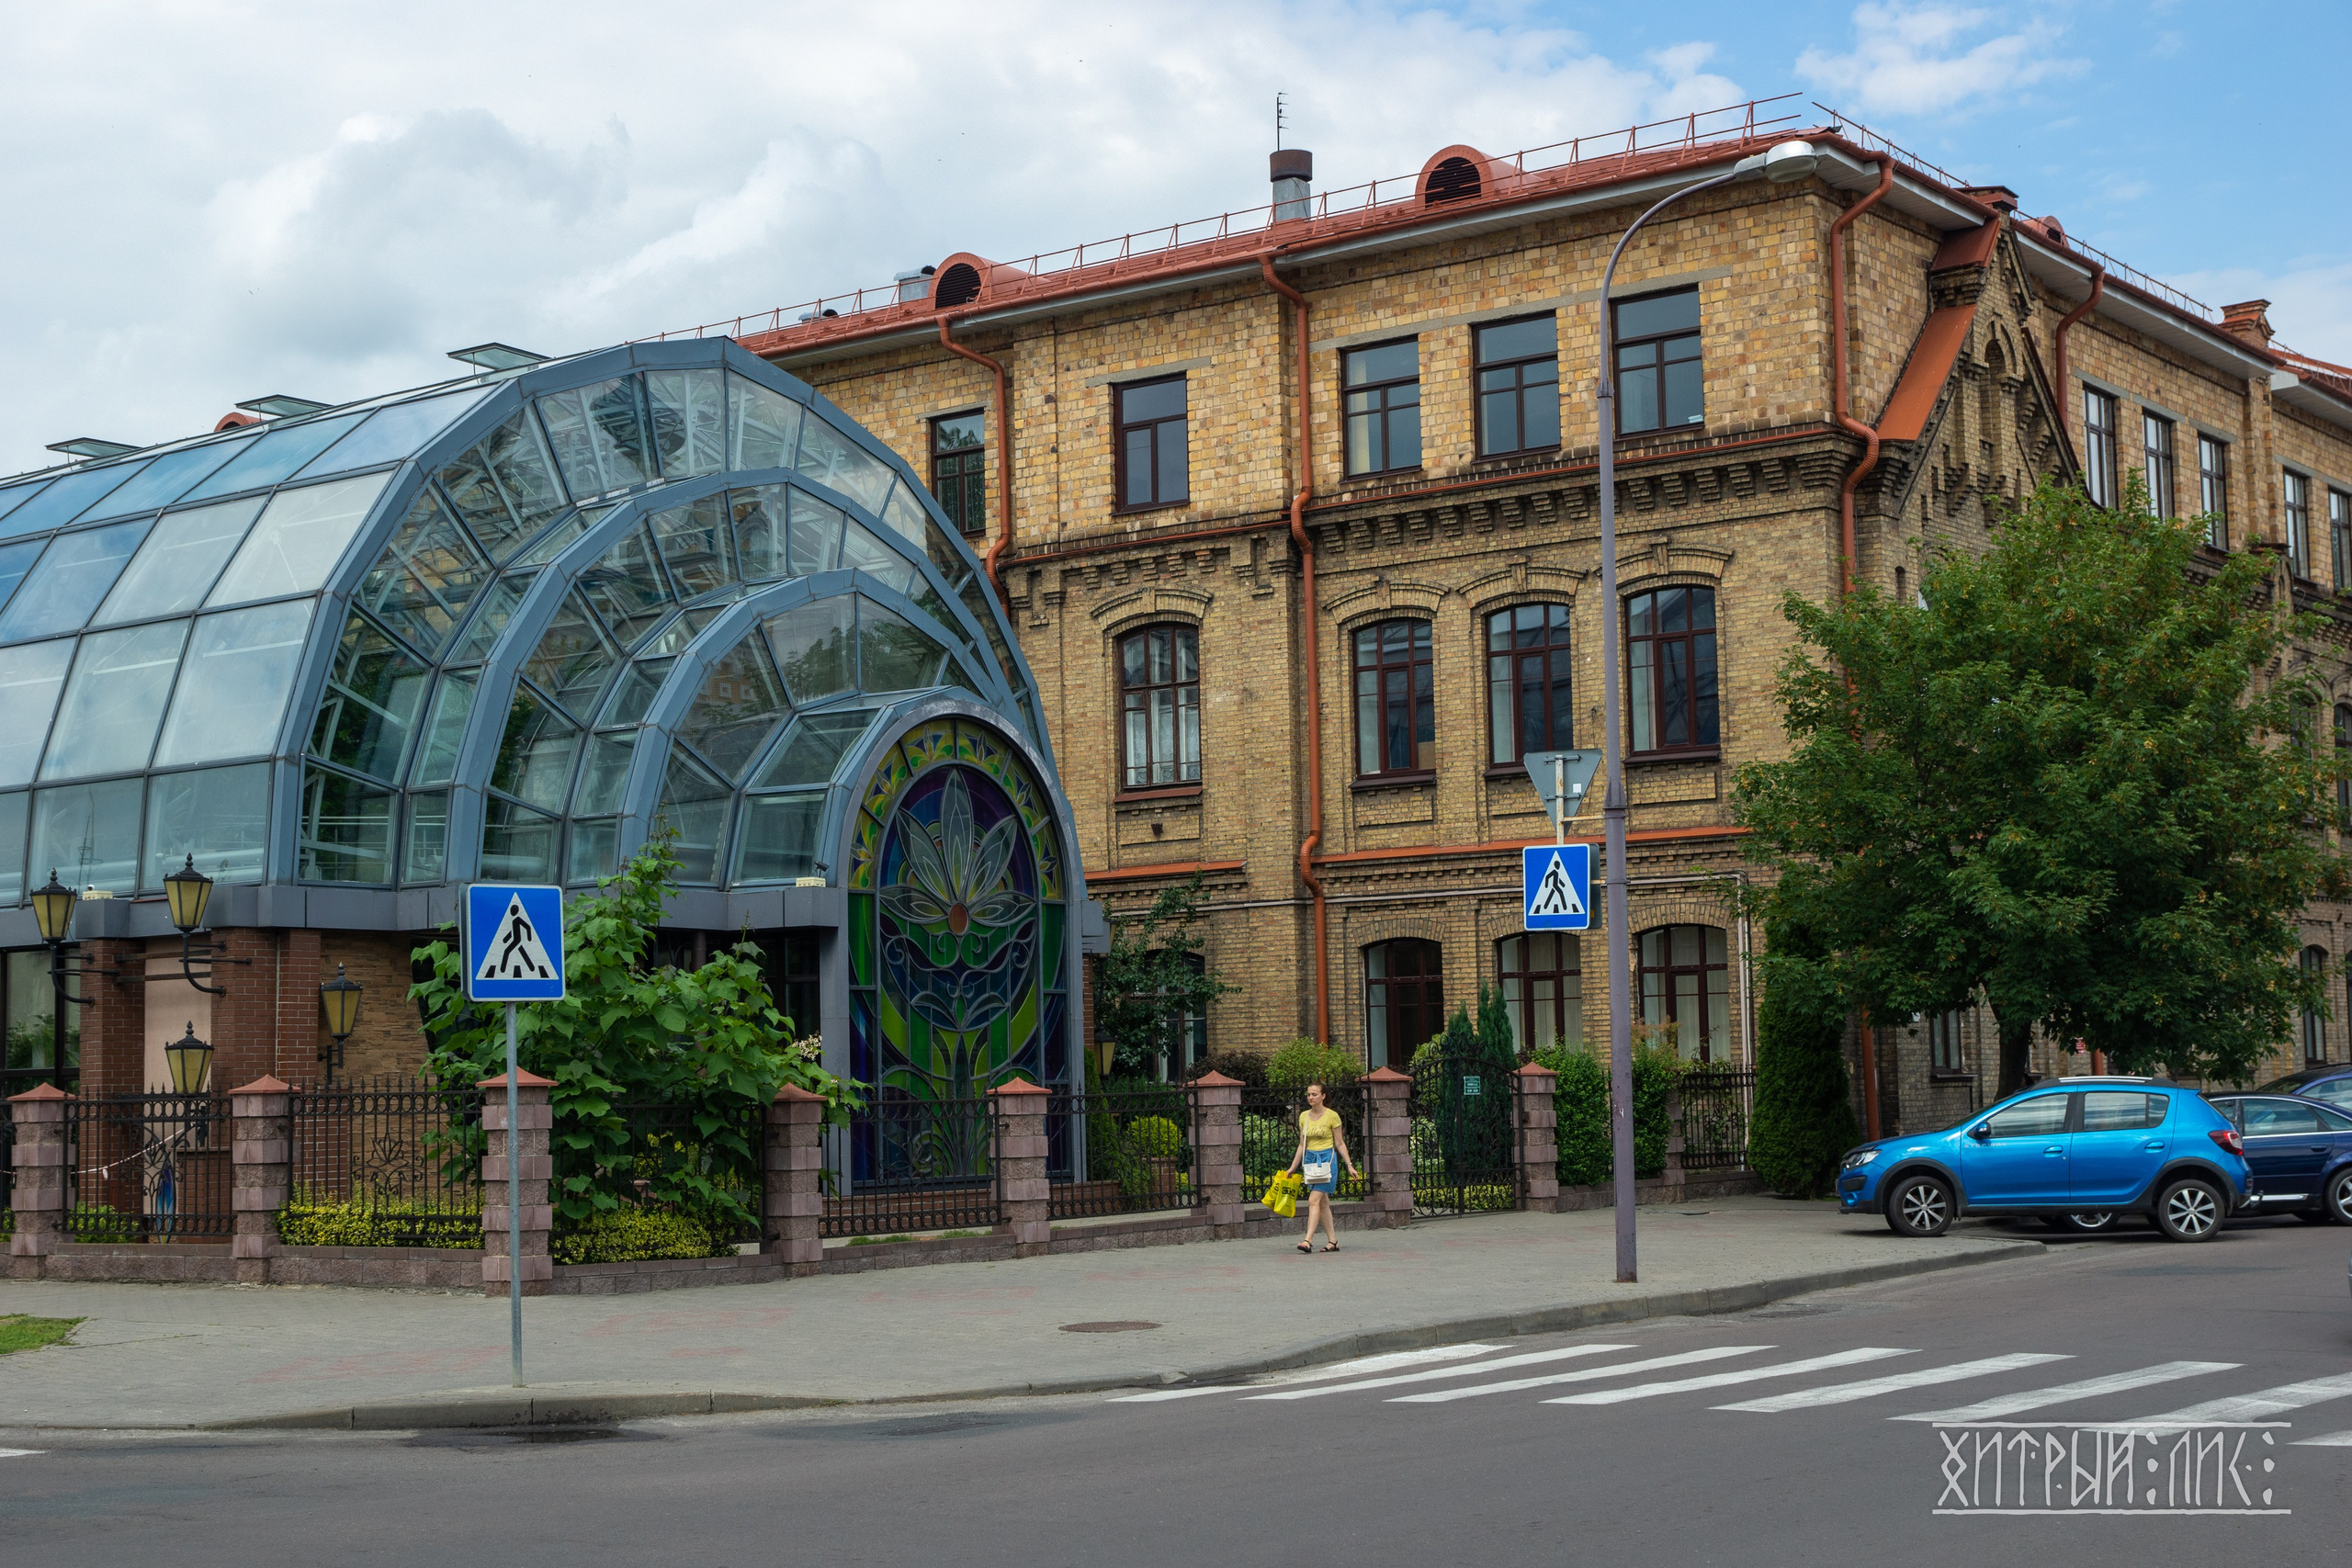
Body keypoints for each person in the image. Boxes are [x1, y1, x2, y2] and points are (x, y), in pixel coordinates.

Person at [1284, 1081, 1358, 1253]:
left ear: (1323, 1096)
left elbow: (1339, 1143)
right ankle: (1333, 1241)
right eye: (1309, 1094)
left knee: (1313, 1200)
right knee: (1323, 1203)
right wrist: (1292, 1167)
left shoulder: (1332, 1116)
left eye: (1314, 1094)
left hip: (1327, 1160)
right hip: (1310, 1160)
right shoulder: (1304, 1116)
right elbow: (1302, 1145)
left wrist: (1349, 1165)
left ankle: (1307, 1240)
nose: (1310, 1097)